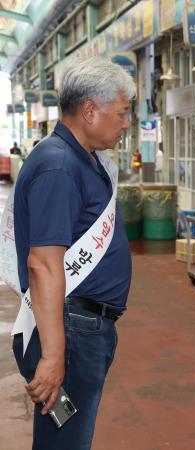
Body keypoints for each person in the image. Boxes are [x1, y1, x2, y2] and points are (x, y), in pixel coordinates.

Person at [11, 57, 135, 449]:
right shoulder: (60, 166)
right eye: (122, 112)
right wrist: (53, 355)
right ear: (89, 111)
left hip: (82, 325)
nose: (127, 122)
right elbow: (43, 264)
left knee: (66, 437)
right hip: (71, 327)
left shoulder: (83, 160)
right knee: (65, 441)